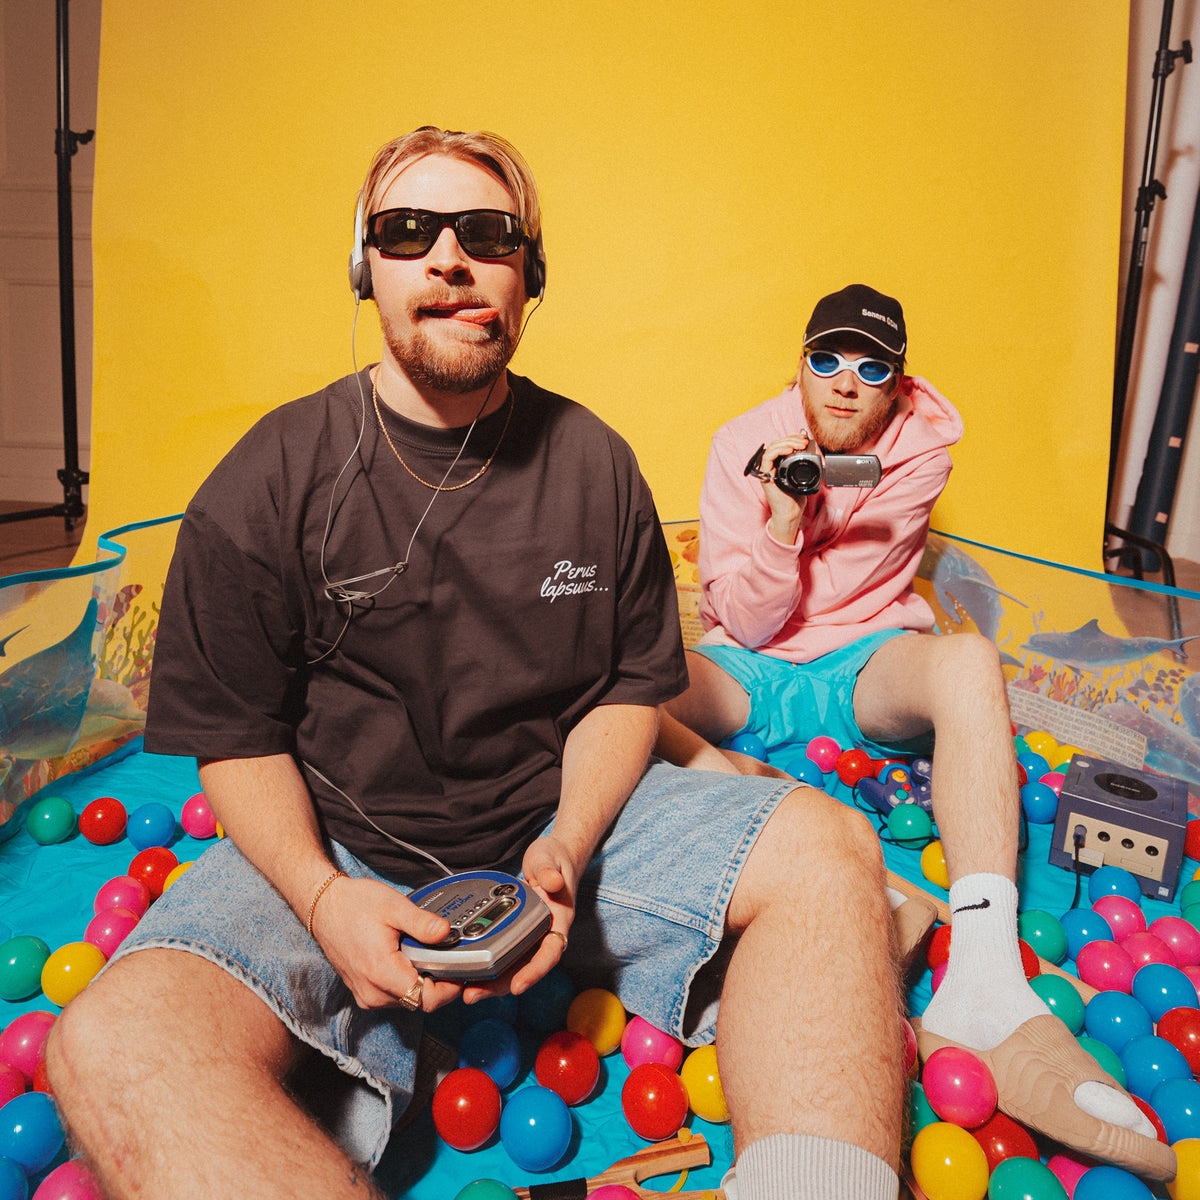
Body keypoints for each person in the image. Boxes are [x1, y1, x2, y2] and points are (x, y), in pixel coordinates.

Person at [47, 129, 911, 1200]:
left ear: (529, 276)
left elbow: (624, 692)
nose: (449, 257)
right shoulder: (266, 480)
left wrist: (567, 844)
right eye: (409, 231)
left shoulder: (596, 465)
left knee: (831, 845)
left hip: (568, 835)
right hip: (339, 849)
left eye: (488, 234)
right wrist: (322, 899)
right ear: (366, 269)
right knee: (113, 1043)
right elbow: (235, 737)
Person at [656, 283, 1177, 1183]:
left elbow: (846, 553)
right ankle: (799, 832)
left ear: (898, 384)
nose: (844, 383)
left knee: (970, 662)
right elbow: (746, 614)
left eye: (871, 369)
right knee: (631, 690)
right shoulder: (739, 441)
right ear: (799, 363)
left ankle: (984, 968)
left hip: (865, 660)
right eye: (827, 360)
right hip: (752, 662)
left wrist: (805, 492)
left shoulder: (923, 448)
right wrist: (779, 520)